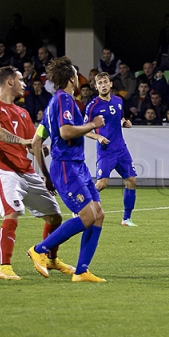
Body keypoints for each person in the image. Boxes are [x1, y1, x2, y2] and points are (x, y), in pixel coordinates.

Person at [0, 66, 74, 280]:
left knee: (55, 217)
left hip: (26, 171)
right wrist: (23, 141)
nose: (24, 84)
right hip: (2, 169)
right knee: (12, 212)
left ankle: (50, 258)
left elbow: (34, 146)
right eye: (21, 80)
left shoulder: (22, 113)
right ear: (10, 82)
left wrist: (47, 176)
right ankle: (5, 267)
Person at [27, 56, 108, 283]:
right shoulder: (64, 100)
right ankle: (39, 249)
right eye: (76, 74)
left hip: (74, 167)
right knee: (88, 215)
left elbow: (35, 143)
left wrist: (46, 176)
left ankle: (82, 271)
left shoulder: (55, 103)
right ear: (72, 79)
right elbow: (65, 132)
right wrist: (93, 125)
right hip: (67, 167)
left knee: (98, 215)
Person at [84, 72, 138, 226]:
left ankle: (126, 218)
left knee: (131, 180)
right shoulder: (93, 106)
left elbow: (119, 117)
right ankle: (81, 206)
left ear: (111, 84)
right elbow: (85, 129)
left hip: (121, 148)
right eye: (100, 83)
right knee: (102, 184)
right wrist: (98, 137)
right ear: (96, 87)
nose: (103, 85)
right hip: (105, 150)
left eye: (105, 82)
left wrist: (124, 123)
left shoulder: (118, 100)